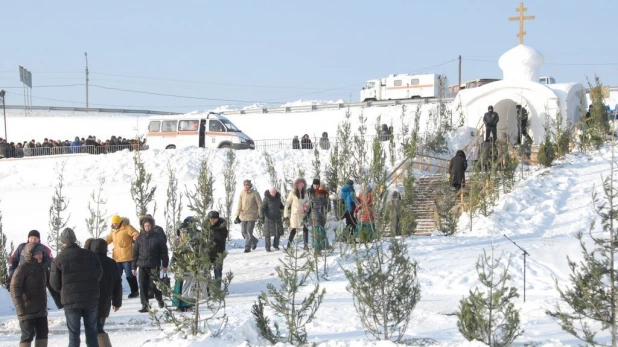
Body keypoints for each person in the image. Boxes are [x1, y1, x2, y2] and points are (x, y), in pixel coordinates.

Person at [50, 228, 103, 347]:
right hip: (90, 298)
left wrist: (65, 290)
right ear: (75, 240)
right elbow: (99, 274)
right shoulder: (90, 255)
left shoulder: (58, 259)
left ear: (63, 242)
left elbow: (54, 284)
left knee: (74, 334)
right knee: (92, 332)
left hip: (70, 301)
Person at [11, 243, 61, 347]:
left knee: (43, 335)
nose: (40, 255)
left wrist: (60, 301)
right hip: (27, 311)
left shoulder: (43, 268)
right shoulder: (22, 269)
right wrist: (20, 310)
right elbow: (15, 289)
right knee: (27, 336)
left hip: (41, 311)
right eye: (37, 253)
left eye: (41, 253)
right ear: (30, 254)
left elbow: (51, 286)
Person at [89, 239, 122, 347]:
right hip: (105, 300)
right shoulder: (111, 262)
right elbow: (117, 283)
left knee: (93, 329)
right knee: (99, 327)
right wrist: (117, 302)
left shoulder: (88, 261)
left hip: (89, 299)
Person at [132, 216, 168, 313]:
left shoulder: (158, 237)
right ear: (143, 227)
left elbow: (164, 252)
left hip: (154, 265)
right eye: (145, 226)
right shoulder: (139, 238)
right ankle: (145, 305)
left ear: (152, 226)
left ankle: (160, 299)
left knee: (154, 286)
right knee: (143, 286)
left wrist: (165, 265)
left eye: (148, 225)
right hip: (142, 265)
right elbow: (135, 253)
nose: (147, 227)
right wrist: (133, 267)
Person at [105, 214, 140, 299]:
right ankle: (116, 293)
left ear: (120, 221)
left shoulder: (127, 227)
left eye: (117, 223)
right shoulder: (113, 231)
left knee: (129, 275)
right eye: (114, 223)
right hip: (116, 257)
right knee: (116, 276)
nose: (115, 224)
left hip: (127, 256)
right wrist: (101, 243)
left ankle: (134, 291)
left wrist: (135, 236)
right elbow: (108, 239)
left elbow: (136, 233)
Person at [234, 179, 262, 253]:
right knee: (243, 232)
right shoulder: (242, 193)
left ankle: (247, 248)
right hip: (243, 215)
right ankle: (254, 241)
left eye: (247, 185)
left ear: (250, 185)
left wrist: (260, 214)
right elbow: (239, 205)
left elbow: (260, 204)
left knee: (249, 231)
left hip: (252, 215)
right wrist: (237, 215)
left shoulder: (255, 193)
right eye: (244, 185)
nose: (246, 186)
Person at [284, 178, 309, 250]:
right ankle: (289, 245)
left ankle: (306, 245)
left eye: (302, 185)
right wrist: (286, 214)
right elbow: (287, 203)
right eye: (299, 185)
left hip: (303, 213)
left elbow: (308, 201)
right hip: (295, 214)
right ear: (296, 185)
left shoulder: (305, 193)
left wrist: (305, 205)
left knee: (305, 228)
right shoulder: (292, 193)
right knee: (293, 229)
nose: (300, 187)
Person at [207, 211, 228, 285]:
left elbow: (221, 238)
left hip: (218, 252)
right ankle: (207, 289)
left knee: (218, 271)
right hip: (208, 253)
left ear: (217, 219)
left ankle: (217, 288)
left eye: (214, 219)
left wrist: (214, 229)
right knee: (206, 271)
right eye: (211, 219)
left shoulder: (222, 228)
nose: (212, 221)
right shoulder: (206, 227)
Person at [260, 187, 284, 252]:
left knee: (278, 232)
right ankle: (267, 247)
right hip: (269, 218)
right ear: (269, 192)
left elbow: (281, 206)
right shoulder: (266, 199)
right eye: (272, 192)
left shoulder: (278, 198)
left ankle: (276, 245)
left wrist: (285, 207)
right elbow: (262, 208)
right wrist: (261, 217)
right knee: (267, 234)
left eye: (274, 192)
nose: (273, 193)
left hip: (277, 218)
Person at [309, 183, 330, 253]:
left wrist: (305, 216)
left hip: (314, 217)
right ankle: (319, 249)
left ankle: (322, 247)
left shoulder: (314, 196)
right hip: (321, 217)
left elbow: (309, 207)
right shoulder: (326, 197)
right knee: (321, 232)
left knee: (317, 233)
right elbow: (328, 208)